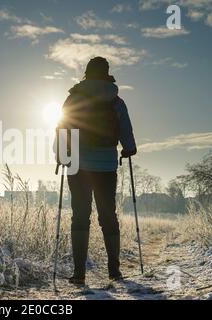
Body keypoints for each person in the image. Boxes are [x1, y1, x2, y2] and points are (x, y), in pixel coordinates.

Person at [57, 57, 137, 285]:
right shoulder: (116, 100)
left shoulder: (74, 97)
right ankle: (114, 271)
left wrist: (61, 155)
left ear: (86, 73)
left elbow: (63, 126)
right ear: (106, 73)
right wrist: (129, 149)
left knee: (80, 215)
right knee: (107, 215)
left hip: (78, 165)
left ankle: (79, 274)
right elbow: (126, 129)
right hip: (106, 165)